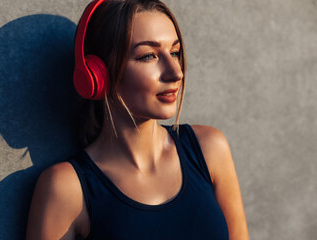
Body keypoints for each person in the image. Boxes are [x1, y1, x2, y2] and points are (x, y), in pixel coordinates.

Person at [26, 0, 249, 239]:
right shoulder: (66, 188)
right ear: (97, 75)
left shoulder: (209, 150)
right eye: (148, 56)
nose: (176, 72)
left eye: (174, 52)